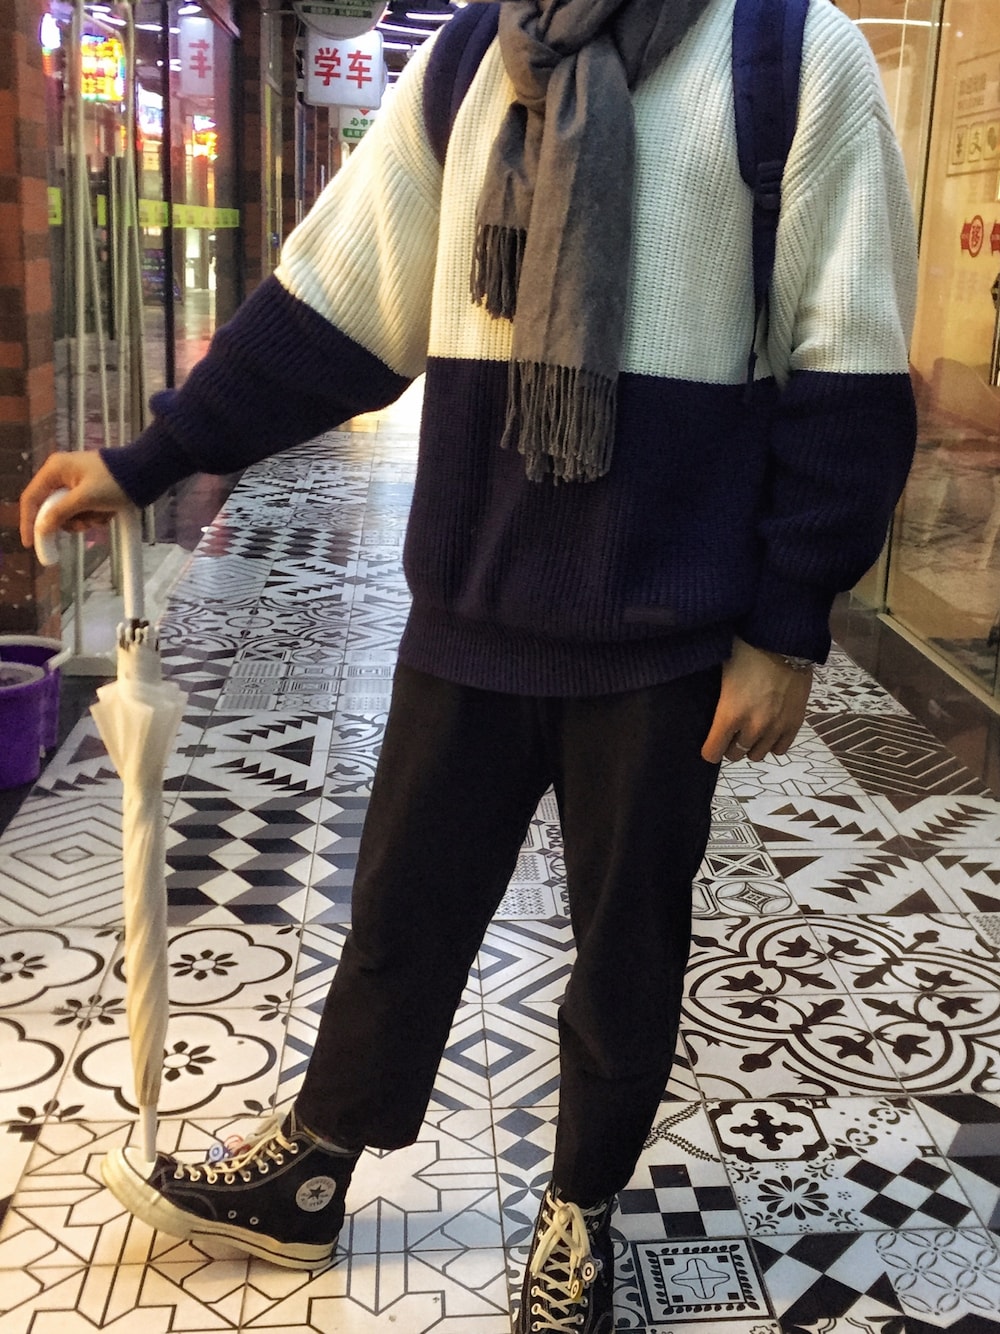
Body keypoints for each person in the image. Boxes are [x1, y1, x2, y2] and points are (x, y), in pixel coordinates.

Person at [20, 0, 918, 1328]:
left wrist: (786, 625)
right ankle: (315, 1167)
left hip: (662, 634)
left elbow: (850, 370)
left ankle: (581, 1211)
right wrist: (151, 458)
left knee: (626, 952)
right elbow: (336, 304)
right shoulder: (473, 58)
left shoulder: (791, 56)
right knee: (400, 911)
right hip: (474, 606)